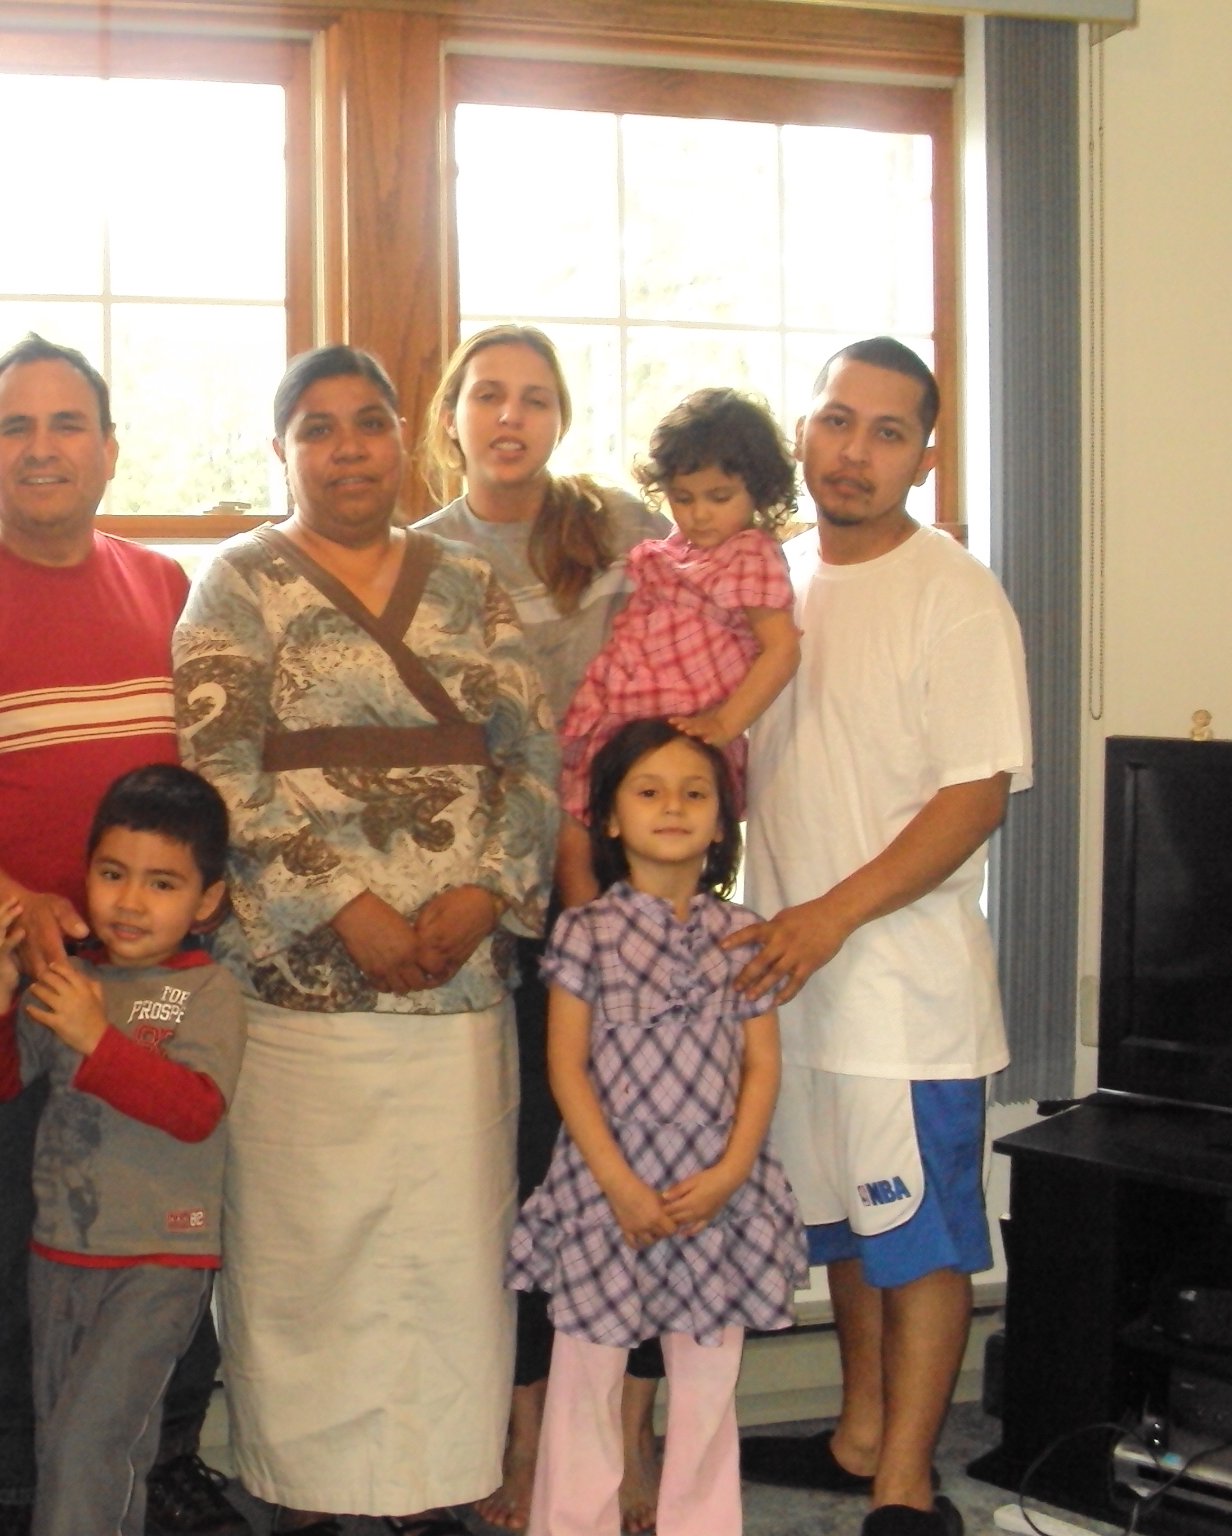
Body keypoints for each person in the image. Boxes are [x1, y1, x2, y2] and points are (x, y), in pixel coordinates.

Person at [175, 344, 558, 1533]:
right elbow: (218, 768)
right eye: (318, 427)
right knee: (306, 1251)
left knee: (449, 1249)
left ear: (403, 439)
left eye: (368, 422)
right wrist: (347, 907)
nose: (347, 448)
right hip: (301, 987)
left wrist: (483, 895)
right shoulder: (234, 583)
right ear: (281, 449)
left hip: (456, 985)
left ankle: (441, 1479)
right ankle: (302, 1488)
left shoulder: (472, 584)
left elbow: (531, 759)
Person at [0, 335, 242, 1536]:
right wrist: (13, 906)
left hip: (158, 978)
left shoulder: (164, 590)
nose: (41, 447)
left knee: (166, 1228)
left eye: (66, 423)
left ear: (108, 450)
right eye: (15, 427)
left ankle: (161, 1457)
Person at [728, 337, 1032, 1536]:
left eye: (886, 431)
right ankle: (858, 1435)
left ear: (922, 456)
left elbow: (973, 798)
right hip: (788, 983)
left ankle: (907, 1485)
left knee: (919, 1240)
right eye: (835, 421)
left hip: (900, 995)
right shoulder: (774, 579)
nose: (853, 451)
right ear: (802, 430)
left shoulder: (951, 590)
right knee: (845, 1227)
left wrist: (828, 916)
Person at [414, 324, 671, 1532]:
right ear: (450, 417)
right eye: (486, 396)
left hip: (636, 900)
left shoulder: (618, 527)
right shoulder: (419, 556)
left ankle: (629, 1431)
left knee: (648, 1161)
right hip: (501, 914)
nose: (508, 416)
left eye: (532, 398)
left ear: (559, 417)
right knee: (526, 1180)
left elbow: (710, 646)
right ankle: (522, 1436)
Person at [508, 717, 806, 1536]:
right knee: (585, 1384)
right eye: (649, 791)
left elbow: (761, 1066)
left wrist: (731, 1172)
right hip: (609, 1189)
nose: (672, 806)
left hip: (716, 1189)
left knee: (708, 1391)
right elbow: (566, 1069)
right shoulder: (585, 931)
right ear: (610, 818)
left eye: (694, 793)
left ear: (721, 821)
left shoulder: (742, 934)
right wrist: (617, 1185)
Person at [0, 764, 245, 1536]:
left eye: (162, 883)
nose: (130, 900)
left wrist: (97, 1040)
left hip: (159, 1260)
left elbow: (194, 1111)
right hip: (61, 1253)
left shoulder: (205, 992)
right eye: (112, 874)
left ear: (206, 899)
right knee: (67, 1445)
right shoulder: (70, 980)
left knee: (91, 1444)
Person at [555, 387, 801, 912]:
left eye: (719, 497)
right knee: (577, 824)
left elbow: (781, 651)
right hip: (620, 711)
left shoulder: (751, 553)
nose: (699, 514)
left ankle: (665, 936)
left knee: (667, 853)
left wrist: (725, 723)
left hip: (685, 729)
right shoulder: (672, 552)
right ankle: (585, 932)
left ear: (759, 490)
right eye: (683, 498)